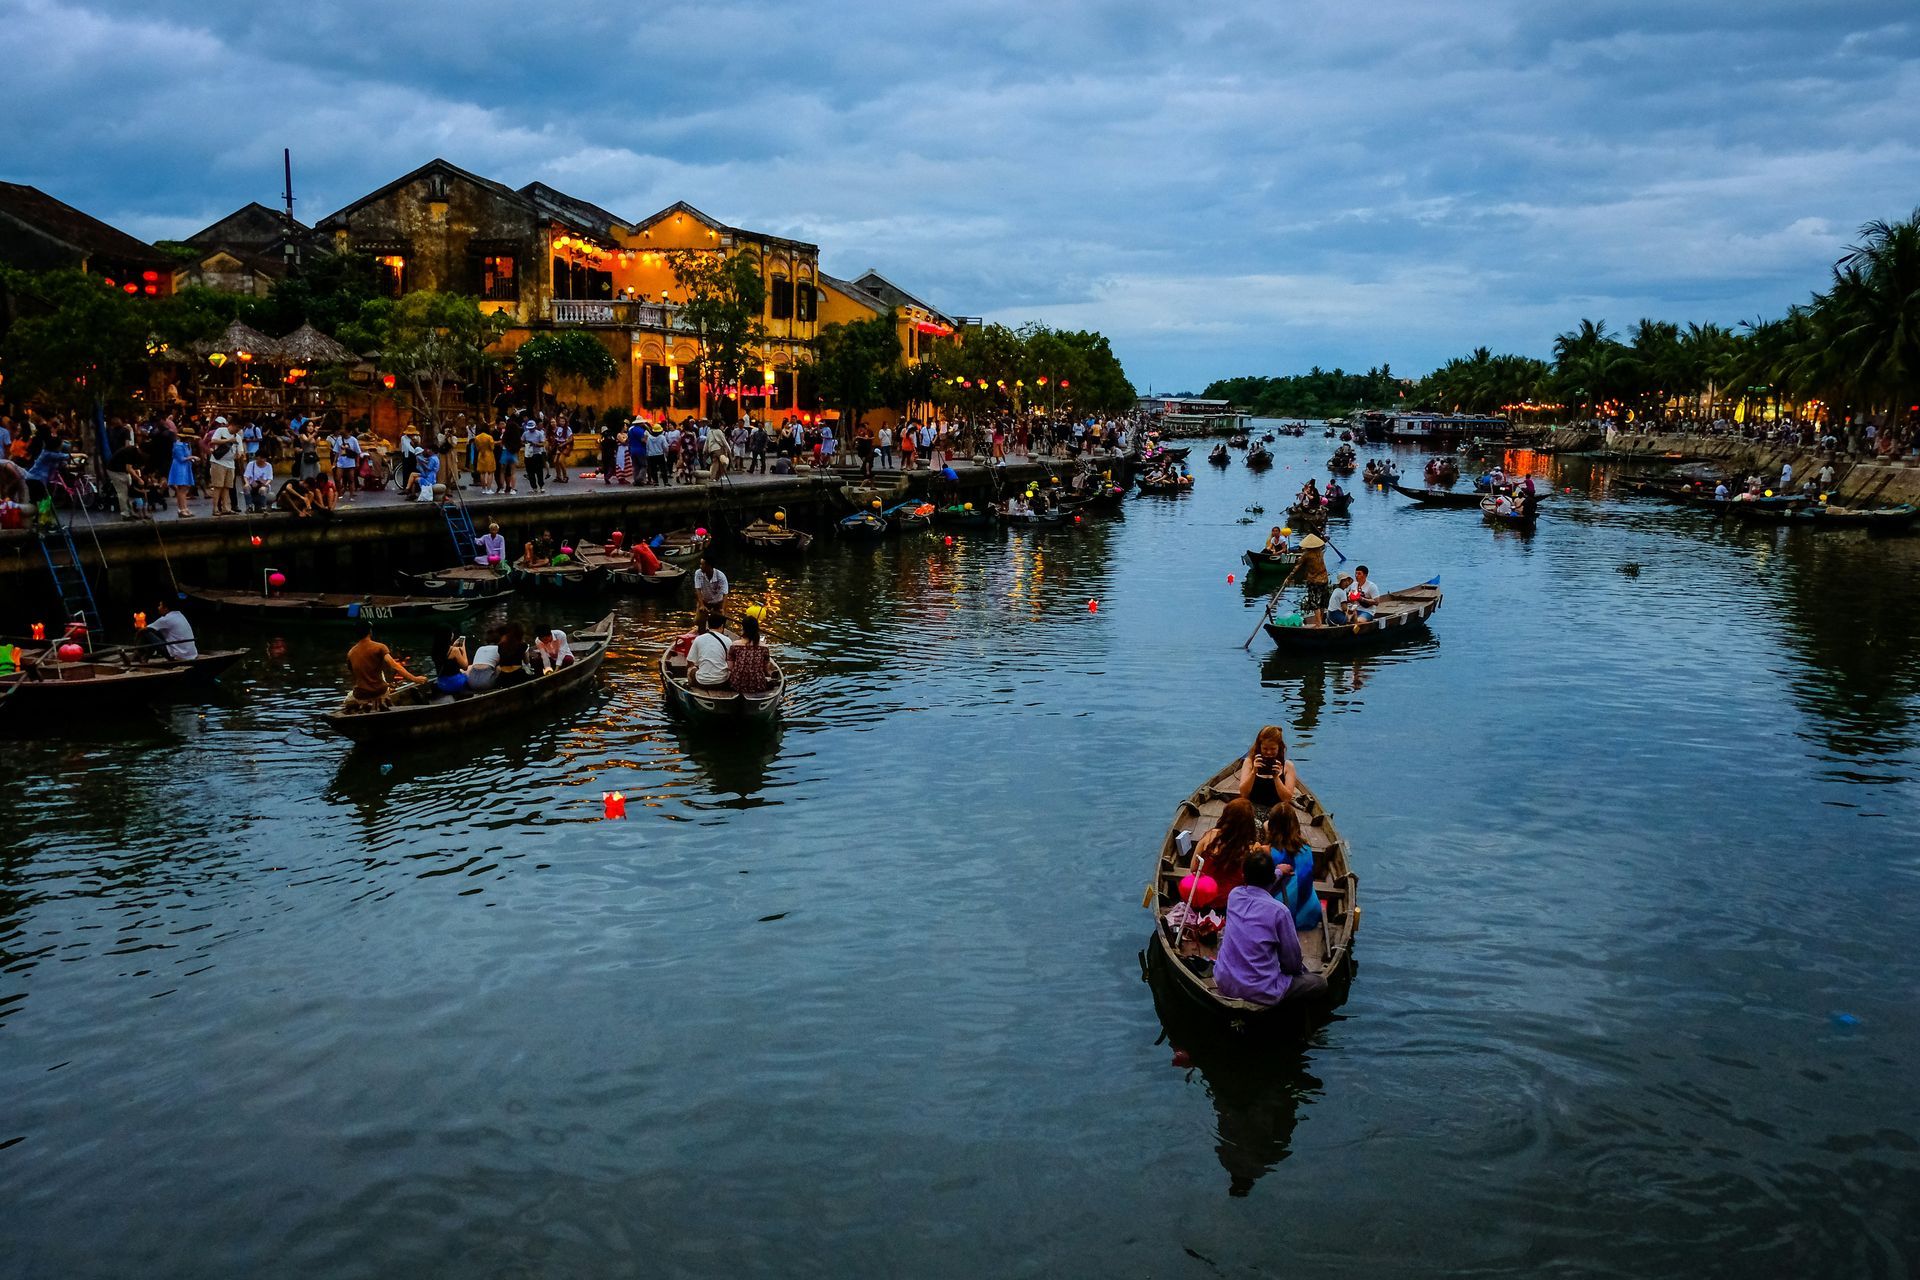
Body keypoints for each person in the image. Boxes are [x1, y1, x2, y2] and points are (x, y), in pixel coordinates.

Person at [1212, 849, 1327, 1006]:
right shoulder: (1280, 912)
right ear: (1272, 879)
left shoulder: (1235, 896)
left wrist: (1279, 871)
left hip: (1224, 982)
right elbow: (1292, 962)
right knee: (1320, 983)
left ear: (1243, 877)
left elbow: (1258, 886)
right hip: (1262, 991)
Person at [1177, 797, 1263, 909]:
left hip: (1203, 900)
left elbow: (1193, 868)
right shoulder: (1252, 849)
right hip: (1232, 903)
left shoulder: (1209, 837)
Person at [342, 620, 427, 713]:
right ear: (370, 631)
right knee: (385, 690)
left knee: (347, 702)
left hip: (361, 694)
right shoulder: (380, 647)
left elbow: (354, 674)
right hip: (380, 691)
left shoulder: (350, 653)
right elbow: (395, 666)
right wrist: (415, 679)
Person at [1264, 801, 1323, 932]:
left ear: (1272, 825)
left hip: (1279, 918)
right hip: (1309, 914)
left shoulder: (1267, 852)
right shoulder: (1306, 849)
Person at [1237, 725, 1298, 812]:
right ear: (1259, 747)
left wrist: (1276, 777)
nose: (1269, 753)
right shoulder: (1249, 762)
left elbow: (1287, 799)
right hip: (1253, 810)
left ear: (1279, 747)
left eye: (1273, 749)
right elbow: (1243, 794)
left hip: (1277, 812)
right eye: (1265, 749)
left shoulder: (1288, 766)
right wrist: (1253, 772)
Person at [1282, 534, 1330, 625]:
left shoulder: (1306, 554)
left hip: (1314, 580)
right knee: (1323, 601)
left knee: (1314, 602)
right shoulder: (1320, 551)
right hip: (1324, 579)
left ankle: (1318, 623)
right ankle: (1320, 620)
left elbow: (1297, 567)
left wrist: (1288, 578)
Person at [725, 611, 774, 693]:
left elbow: (730, 667)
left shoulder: (734, 645)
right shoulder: (764, 647)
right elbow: (766, 669)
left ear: (743, 628)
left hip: (737, 684)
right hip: (758, 685)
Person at [686, 611, 733, 688]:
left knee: (690, 669)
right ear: (722, 626)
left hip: (702, 681)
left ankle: (691, 687)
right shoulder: (728, 640)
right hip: (722, 681)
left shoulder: (698, 639)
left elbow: (690, 661)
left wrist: (696, 667)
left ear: (708, 625)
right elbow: (730, 662)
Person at [206, 418, 238, 515]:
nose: (238, 430)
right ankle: (215, 508)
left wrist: (239, 454)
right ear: (232, 425)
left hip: (230, 463)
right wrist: (228, 440)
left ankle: (226, 507)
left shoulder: (238, 436)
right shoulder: (221, 431)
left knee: (227, 487)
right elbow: (213, 441)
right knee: (218, 486)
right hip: (219, 462)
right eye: (237, 427)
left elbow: (239, 449)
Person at [429, 630, 470, 696]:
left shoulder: (435, 650)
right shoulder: (454, 650)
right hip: (454, 684)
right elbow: (465, 666)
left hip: (441, 684)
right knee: (467, 671)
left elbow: (445, 655)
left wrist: (453, 646)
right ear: (448, 637)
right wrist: (463, 648)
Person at [167, 433, 197, 516]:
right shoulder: (178, 446)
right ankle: (182, 509)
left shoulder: (187, 445)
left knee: (185, 487)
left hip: (186, 466)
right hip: (180, 467)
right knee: (182, 488)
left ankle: (183, 508)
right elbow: (181, 458)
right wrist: (192, 457)